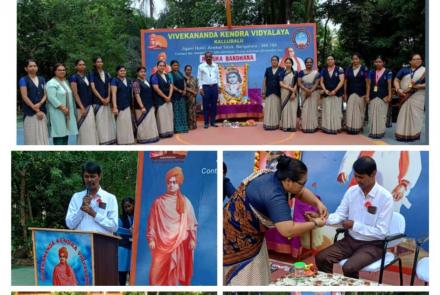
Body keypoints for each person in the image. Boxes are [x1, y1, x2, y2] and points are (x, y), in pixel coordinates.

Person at [223, 155, 328, 285]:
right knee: (246, 281)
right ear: (289, 181)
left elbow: (300, 192)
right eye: (302, 183)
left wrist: (317, 203)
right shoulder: (274, 196)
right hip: (238, 240)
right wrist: (315, 223)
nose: (304, 186)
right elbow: (288, 230)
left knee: (259, 271)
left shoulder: (277, 175)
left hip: (248, 232)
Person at [315, 156, 394, 279]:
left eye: (361, 177)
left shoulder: (386, 198)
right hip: (350, 240)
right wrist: (322, 219)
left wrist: (354, 225)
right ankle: (329, 287)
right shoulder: (352, 191)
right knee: (321, 258)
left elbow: (381, 232)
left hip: (373, 245)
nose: (357, 180)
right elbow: (340, 215)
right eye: (355, 176)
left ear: (373, 174)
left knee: (349, 267)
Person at [147, 167, 198, 285]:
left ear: (179, 183)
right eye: (169, 182)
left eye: (174, 182)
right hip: (160, 244)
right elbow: (152, 223)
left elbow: (192, 223)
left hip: (179, 244)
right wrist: (151, 238)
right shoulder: (158, 202)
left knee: (173, 275)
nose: (171, 185)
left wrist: (192, 239)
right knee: (154, 278)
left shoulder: (185, 202)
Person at [337, 151, 422, 212]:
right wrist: (345, 169)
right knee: (357, 211)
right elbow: (353, 151)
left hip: (392, 184)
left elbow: (415, 162)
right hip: (365, 178)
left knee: (387, 217)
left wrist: (404, 185)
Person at [66, 161, 118, 235]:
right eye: (86, 176)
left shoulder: (110, 198)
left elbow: (114, 226)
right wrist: (82, 209)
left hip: (102, 243)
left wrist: (94, 214)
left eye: (92, 176)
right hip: (80, 244)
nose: (89, 180)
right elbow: (70, 225)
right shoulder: (76, 197)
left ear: (99, 176)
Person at [394, 54, 426, 142]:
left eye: (419, 59)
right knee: (402, 115)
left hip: (418, 96)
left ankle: (414, 135)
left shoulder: (424, 71)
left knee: (416, 116)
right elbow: (396, 80)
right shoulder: (404, 70)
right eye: (415, 59)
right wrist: (398, 89)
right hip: (404, 96)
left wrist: (419, 86)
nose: (418, 61)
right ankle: (401, 135)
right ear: (410, 61)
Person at [46, 63, 78, 145]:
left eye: (63, 70)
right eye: (59, 70)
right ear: (55, 72)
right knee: (59, 134)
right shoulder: (51, 83)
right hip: (58, 113)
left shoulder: (65, 82)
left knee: (65, 133)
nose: (62, 71)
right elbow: (51, 97)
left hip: (67, 113)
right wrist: (63, 108)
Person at [18, 59, 49, 145]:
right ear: (26, 68)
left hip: (42, 112)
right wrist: (36, 110)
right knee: (31, 139)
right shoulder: (23, 80)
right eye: (30, 66)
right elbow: (24, 96)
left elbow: (46, 94)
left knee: (43, 137)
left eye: (34, 66)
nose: (33, 68)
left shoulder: (42, 79)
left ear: (37, 68)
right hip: (30, 113)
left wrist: (40, 103)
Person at [69, 59, 98, 145]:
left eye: (83, 64)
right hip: (81, 107)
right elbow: (75, 93)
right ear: (76, 66)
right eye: (80, 64)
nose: (82, 66)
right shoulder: (73, 77)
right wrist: (81, 107)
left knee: (91, 127)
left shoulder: (87, 77)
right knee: (84, 128)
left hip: (89, 106)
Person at [89, 56, 116, 145]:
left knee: (109, 121)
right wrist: (101, 99)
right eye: (98, 62)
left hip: (107, 101)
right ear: (94, 63)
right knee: (100, 123)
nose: (100, 63)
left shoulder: (107, 73)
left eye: (101, 62)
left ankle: (111, 140)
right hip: (97, 101)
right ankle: (102, 142)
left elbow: (109, 85)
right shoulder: (91, 74)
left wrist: (108, 97)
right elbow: (93, 88)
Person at [366, 55, 392, 139]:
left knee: (382, 115)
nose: (378, 63)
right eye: (376, 62)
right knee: (372, 114)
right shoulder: (371, 72)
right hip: (373, 96)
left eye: (380, 61)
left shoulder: (388, 72)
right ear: (374, 63)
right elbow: (369, 85)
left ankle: (380, 132)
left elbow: (389, 85)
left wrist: (389, 96)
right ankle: (372, 132)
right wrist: (367, 96)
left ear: (383, 63)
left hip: (383, 96)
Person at [132, 66, 159, 143]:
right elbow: (137, 95)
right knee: (143, 124)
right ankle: (143, 139)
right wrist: (142, 107)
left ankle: (152, 137)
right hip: (142, 107)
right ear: (137, 73)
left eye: (144, 72)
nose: (143, 73)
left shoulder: (146, 81)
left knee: (150, 122)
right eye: (141, 72)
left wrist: (153, 104)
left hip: (150, 105)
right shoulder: (136, 83)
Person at [344, 53, 369, 134]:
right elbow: (345, 82)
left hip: (361, 93)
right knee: (350, 111)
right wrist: (345, 93)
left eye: (357, 59)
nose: (355, 60)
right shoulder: (348, 69)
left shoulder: (364, 69)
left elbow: (367, 83)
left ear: (359, 60)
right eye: (354, 59)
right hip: (351, 93)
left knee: (360, 111)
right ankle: (350, 127)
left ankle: (359, 126)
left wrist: (367, 94)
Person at [320, 55, 345, 134]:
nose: (330, 61)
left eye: (331, 59)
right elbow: (321, 82)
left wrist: (335, 90)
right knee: (327, 111)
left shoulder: (339, 69)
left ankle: (336, 128)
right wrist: (325, 90)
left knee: (336, 111)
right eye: (328, 59)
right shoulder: (323, 70)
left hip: (336, 94)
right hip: (327, 94)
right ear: (327, 61)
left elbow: (342, 81)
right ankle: (327, 128)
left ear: (334, 60)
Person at [111, 65, 135, 145]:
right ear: (117, 72)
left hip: (128, 105)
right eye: (121, 71)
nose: (123, 72)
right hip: (120, 106)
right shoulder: (114, 80)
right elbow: (113, 94)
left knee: (128, 123)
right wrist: (115, 107)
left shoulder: (128, 80)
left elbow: (132, 93)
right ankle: (122, 142)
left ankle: (129, 140)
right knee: (121, 124)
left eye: (124, 70)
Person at [151, 60, 174, 138]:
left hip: (169, 99)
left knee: (169, 115)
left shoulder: (167, 76)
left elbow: (171, 86)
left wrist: (169, 96)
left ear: (165, 67)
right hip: (160, 100)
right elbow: (156, 89)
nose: (162, 67)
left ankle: (170, 132)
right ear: (157, 67)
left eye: (163, 66)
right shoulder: (154, 77)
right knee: (162, 117)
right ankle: (162, 133)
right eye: (160, 65)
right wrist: (165, 97)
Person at [198, 51, 220, 128]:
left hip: (214, 87)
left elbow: (218, 77)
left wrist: (219, 86)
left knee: (214, 105)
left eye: (210, 56)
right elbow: (199, 78)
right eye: (207, 57)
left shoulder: (216, 65)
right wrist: (200, 88)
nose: (208, 58)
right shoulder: (201, 66)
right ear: (204, 57)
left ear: (212, 57)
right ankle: (206, 123)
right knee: (206, 105)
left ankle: (213, 122)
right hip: (205, 87)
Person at [298, 57, 321, 133]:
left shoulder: (316, 73)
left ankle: (313, 126)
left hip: (313, 93)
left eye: (310, 62)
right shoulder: (301, 72)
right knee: (305, 109)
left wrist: (311, 90)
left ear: (312, 63)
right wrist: (306, 90)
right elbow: (299, 83)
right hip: (304, 92)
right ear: (305, 63)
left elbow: (316, 83)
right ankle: (304, 126)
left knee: (313, 109)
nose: (309, 63)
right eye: (307, 62)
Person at [262, 56, 284, 130]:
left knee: (276, 109)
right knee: (268, 109)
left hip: (278, 93)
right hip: (269, 92)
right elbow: (264, 81)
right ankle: (268, 123)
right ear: (271, 61)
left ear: (278, 61)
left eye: (275, 60)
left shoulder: (282, 70)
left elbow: (284, 81)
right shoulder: (267, 70)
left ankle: (276, 124)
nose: (274, 61)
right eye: (272, 60)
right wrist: (263, 92)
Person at [116, 197, 135, 286]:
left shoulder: (139, 217)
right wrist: (129, 237)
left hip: (135, 250)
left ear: (133, 205)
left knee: (133, 273)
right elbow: (117, 233)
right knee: (122, 274)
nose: (127, 208)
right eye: (125, 207)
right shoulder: (120, 219)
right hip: (123, 249)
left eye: (129, 206)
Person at [169, 60, 189, 133]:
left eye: (177, 65)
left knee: (182, 111)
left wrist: (184, 90)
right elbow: (171, 85)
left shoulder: (180, 73)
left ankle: (184, 127)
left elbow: (184, 82)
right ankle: (178, 128)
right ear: (171, 66)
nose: (176, 66)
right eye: (174, 65)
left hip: (182, 95)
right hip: (175, 95)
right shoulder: (170, 74)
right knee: (177, 112)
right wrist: (179, 90)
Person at [279, 57, 298, 132]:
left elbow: (296, 83)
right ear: (284, 63)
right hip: (284, 92)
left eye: (289, 63)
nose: (288, 64)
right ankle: (285, 126)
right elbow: (280, 83)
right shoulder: (282, 73)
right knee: (285, 109)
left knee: (292, 109)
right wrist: (289, 88)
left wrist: (293, 92)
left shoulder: (295, 73)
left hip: (293, 93)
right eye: (286, 62)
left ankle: (292, 126)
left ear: (292, 64)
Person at [184, 65, 198, 130]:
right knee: (188, 111)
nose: (188, 71)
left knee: (193, 111)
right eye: (187, 70)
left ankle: (194, 125)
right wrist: (192, 91)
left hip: (194, 97)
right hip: (187, 97)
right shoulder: (183, 78)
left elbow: (197, 87)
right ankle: (189, 125)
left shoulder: (194, 78)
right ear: (185, 70)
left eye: (190, 70)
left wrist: (196, 92)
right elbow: (184, 87)